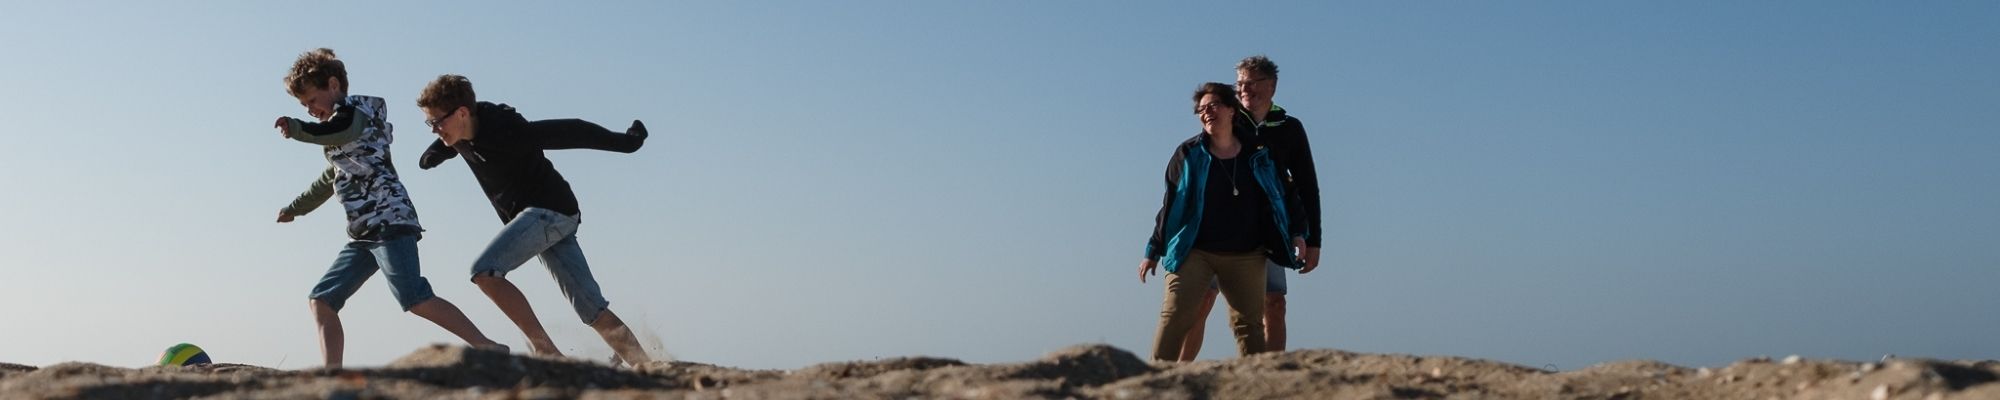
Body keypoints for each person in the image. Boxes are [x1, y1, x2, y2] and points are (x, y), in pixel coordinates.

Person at [273, 49, 504, 368]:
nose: (310, 109)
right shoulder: (338, 141)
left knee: (414, 297)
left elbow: (342, 130)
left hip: (390, 222)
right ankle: (331, 373)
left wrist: (299, 129)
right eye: (304, 106)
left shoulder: (358, 115)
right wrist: (295, 208)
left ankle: (487, 346)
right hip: (363, 233)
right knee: (322, 300)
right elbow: (330, 177)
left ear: (333, 85)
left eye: (312, 100)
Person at [412, 74, 654, 366]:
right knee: (590, 308)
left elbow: (571, 131)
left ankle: (544, 349)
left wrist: (626, 142)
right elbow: (448, 145)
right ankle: (646, 364)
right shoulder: (458, 133)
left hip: (548, 211)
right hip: (549, 218)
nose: (435, 130)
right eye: (430, 124)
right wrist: (434, 154)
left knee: (485, 272)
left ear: (462, 113)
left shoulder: (506, 128)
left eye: (437, 122)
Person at [1140, 82, 1307, 362]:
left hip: (1247, 254)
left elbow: (1286, 194)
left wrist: (1298, 233)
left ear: (1232, 109)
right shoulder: (1188, 154)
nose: (1206, 113)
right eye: (1201, 109)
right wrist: (1153, 250)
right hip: (1196, 251)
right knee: (1175, 315)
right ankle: (1155, 383)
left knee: (1249, 328)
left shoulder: (1260, 152)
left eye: (1213, 106)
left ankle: (1257, 389)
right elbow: (1170, 205)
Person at [1179, 55, 1323, 359]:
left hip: (1271, 228)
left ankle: (1268, 378)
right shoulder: (1226, 122)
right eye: (1240, 83)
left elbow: (1306, 185)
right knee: (1202, 300)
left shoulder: (1290, 128)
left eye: (1252, 83)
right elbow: (1194, 168)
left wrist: (1313, 240)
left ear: (1271, 85)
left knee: (1274, 303)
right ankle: (1177, 373)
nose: (1245, 89)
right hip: (1221, 228)